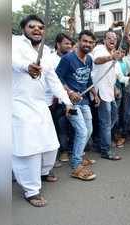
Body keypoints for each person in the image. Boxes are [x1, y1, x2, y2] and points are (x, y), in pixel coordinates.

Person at [12, 15, 73, 207]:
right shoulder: (14, 43)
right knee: (28, 149)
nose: (37, 30)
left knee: (50, 144)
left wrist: (66, 100)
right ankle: (31, 190)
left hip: (39, 104)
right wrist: (26, 67)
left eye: (40, 27)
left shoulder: (45, 51)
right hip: (18, 104)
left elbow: (52, 78)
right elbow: (11, 61)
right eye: (32, 27)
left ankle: (43, 172)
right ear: (23, 29)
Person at [56, 30, 100, 181]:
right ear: (79, 41)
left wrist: (95, 93)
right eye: (85, 41)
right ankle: (76, 166)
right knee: (81, 131)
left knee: (88, 130)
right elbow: (57, 78)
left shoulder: (89, 60)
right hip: (70, 102)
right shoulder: (68, 59)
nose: (87, 44)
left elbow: (88, 80)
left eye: (90, 42)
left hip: (84, 101)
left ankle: (78, 156)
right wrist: (69, 92)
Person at [91, 31, 130, 160]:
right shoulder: (99, 49)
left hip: (110, 92)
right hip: (100, 92)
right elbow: (97, 61)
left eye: (114, 39)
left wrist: (117, 86)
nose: (112, 40)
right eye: (109, 38)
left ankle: (100, 141)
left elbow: (115, 75)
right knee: (106, 122)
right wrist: (111, 58)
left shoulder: (113, 53)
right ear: (104, 40)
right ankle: (105, 150)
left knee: (114, 116)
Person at [48, 33, 74, 165]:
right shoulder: (50, 59)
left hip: (73, 100)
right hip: (56, 101)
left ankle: (74, 151)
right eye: (66, 43)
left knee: (73, 125)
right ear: (58, 45)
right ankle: (63, 151)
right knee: (61, 125)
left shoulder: (72, 58)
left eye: (71, 44)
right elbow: (52, 81)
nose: (69, 46)